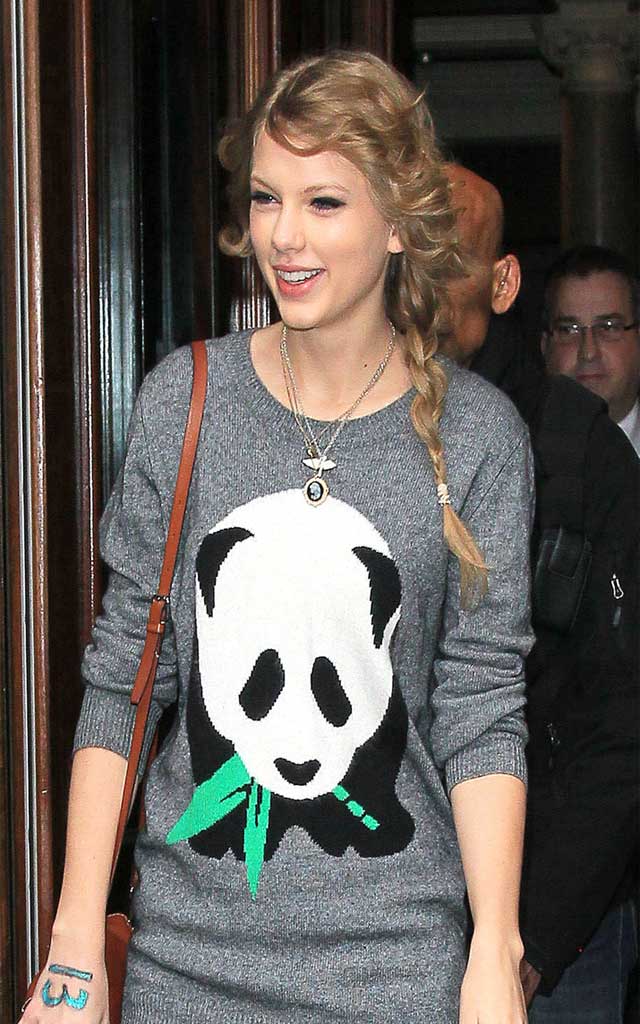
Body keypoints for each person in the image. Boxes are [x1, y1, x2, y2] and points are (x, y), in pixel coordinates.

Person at [21, 53, 534, 1024]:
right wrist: (75, 942)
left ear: (397, 221)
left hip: (395, 972)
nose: (284, 236)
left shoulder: (477, 437)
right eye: (266, 197)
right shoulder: (187, 401)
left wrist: (494, 953)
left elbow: (481, 706)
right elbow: (127, 678)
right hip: (187, 970)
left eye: (324, 202)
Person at [442, 163, 639, 1023]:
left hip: (555, 925)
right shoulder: (358, 430)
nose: (418, 283)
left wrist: (537, 940)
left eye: (447, 255)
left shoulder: (578, 448)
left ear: (501, 281)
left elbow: (620, 723)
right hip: (392, 912)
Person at [540, 245, 640, 457]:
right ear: (545, 346)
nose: (588, 352)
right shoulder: (513, 456)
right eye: (569, 330)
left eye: (608, 327)